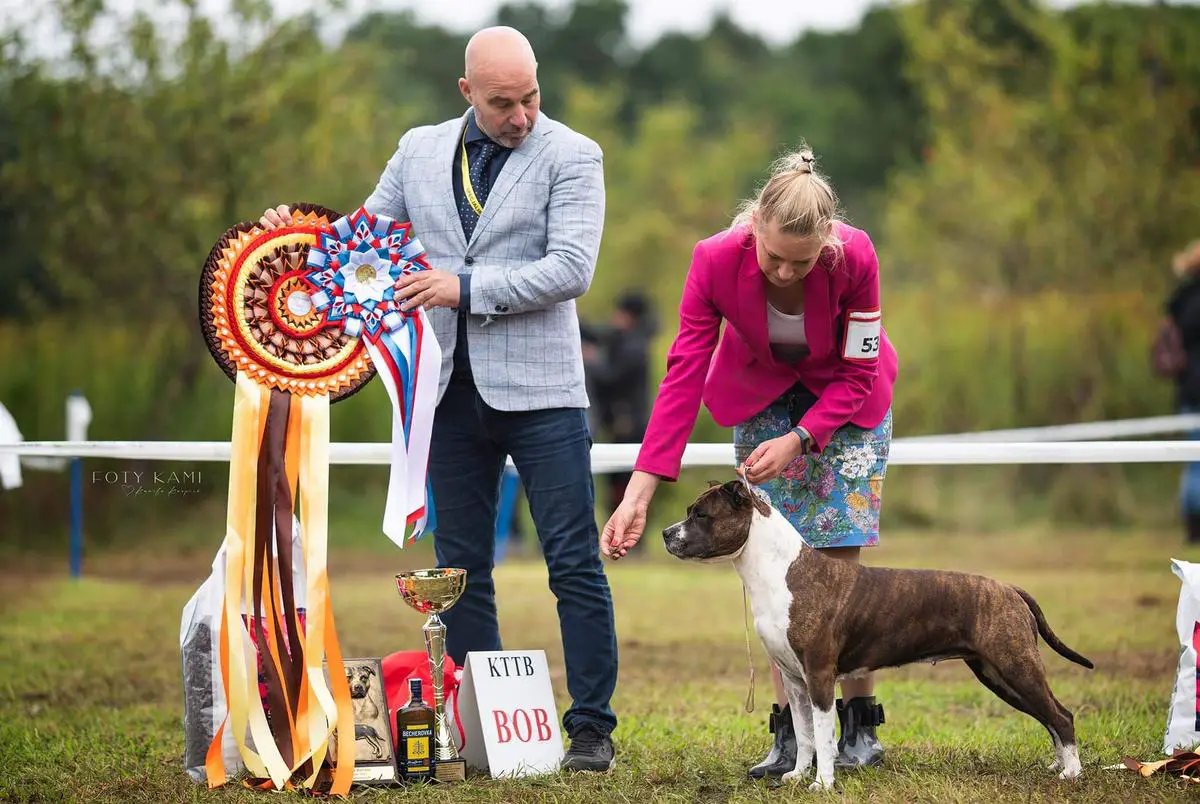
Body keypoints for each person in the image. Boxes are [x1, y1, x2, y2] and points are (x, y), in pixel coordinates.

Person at [260, 26, 618, 772]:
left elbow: (571, 269)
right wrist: (289, 241)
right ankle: (478, 717)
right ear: (466, 93)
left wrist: (465, 287)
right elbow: (363, 239)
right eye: (501, 104)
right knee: (460, 564)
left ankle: (591, 728)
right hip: (446, 391)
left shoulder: (574, 154)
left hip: (545, 394)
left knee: (572, 561)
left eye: (530, 98)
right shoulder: (417, 150)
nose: (520, 116)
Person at [600, 145, 898, 778]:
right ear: (754, 224)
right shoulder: (712, 260)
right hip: (758, 395)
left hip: (847, 403)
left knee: (838, 565)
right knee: (772, 569)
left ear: (827, 245)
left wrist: (801, 437)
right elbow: (682, 376)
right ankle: (791, 734)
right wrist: (640, 489)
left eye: (804, 260)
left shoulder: (858, 255)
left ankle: (858, 728)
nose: (787, 273)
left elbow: (859, 368)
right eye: (773, 257)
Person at [583, 291, 658, 525]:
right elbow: (599, 333)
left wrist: (591, 360)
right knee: (617, 480)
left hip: (629, 424)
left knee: (625, 481)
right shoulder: (628, 339)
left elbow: (610, 378)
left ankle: (627, 529)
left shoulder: (633, 346)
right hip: (622, 423)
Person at [1160, 239, 1200, 543]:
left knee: (1194, 462)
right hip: (1194, 391)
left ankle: (1192, 527)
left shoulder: (1180, 299)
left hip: (1188, 391)